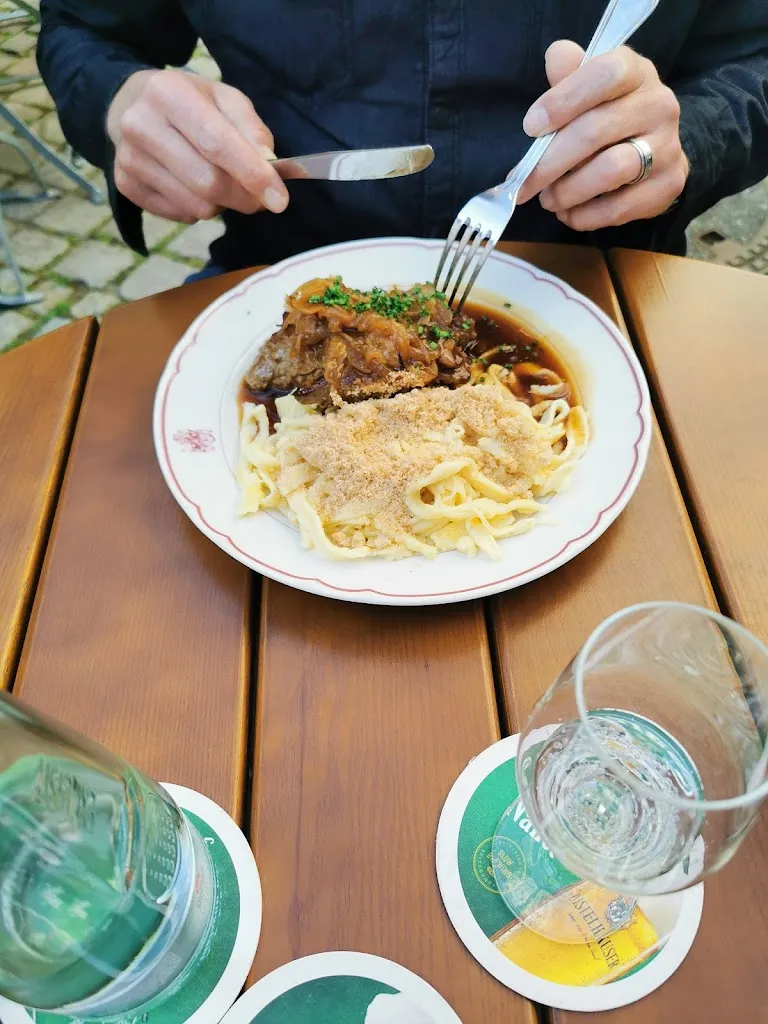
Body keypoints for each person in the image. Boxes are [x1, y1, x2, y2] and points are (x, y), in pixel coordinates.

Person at [38, 1, 768, 278]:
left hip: (607, 295)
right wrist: (118, 104)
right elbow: (87, 31)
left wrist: (688, 138)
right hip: (278, 288)